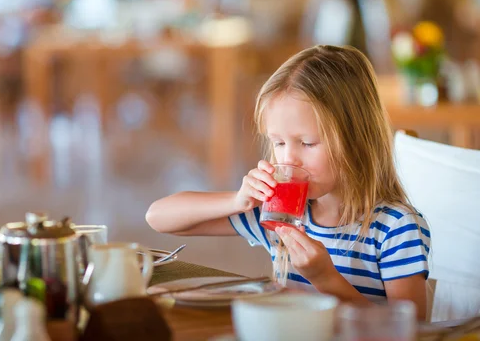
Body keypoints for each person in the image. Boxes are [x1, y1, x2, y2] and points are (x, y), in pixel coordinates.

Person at [146, 45, 431, 319]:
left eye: (307, 143)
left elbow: (410, 329)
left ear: (357, 139)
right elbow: (158, 217)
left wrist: (325, 279)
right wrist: (236, 201)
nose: (288, 159)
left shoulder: (395, 228)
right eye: (279, 142)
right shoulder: (282, 214)